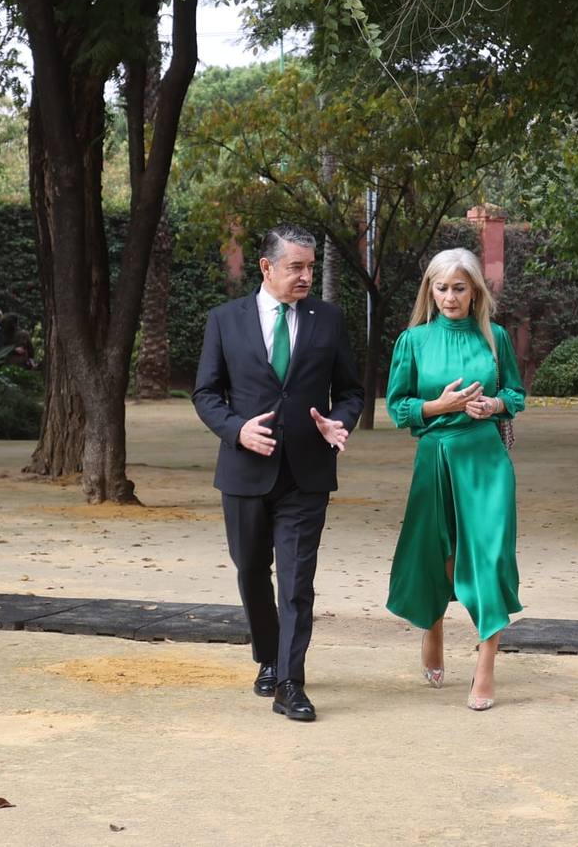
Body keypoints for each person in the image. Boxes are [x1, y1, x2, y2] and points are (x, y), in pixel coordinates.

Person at [192, 224, 364, 722]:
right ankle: (267, 656)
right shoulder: (224, 321)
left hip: (307, 473)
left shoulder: (329, 320)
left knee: (295, 581)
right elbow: (206, 393)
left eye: (311, 267)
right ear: (267, 268)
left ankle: (290, 682)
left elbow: (351, 391)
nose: (307, 276)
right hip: (244, 472)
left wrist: (340, 422)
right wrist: (236, 430)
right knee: (251, 570)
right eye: (297, 267)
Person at [384, 247, 526, 711]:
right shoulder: (413, 341)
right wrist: (438, 407)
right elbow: (398, 406)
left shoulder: (495, 338)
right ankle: (434, 625)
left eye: (459, 288)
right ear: (430, 290)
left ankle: (485, 667)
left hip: (485, 458)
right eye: (441, 288)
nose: (449, 297)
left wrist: (495, 406)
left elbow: (516, 394)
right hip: (436, 456)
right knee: (438, 551)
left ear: (474, 292)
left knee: (490, 557)